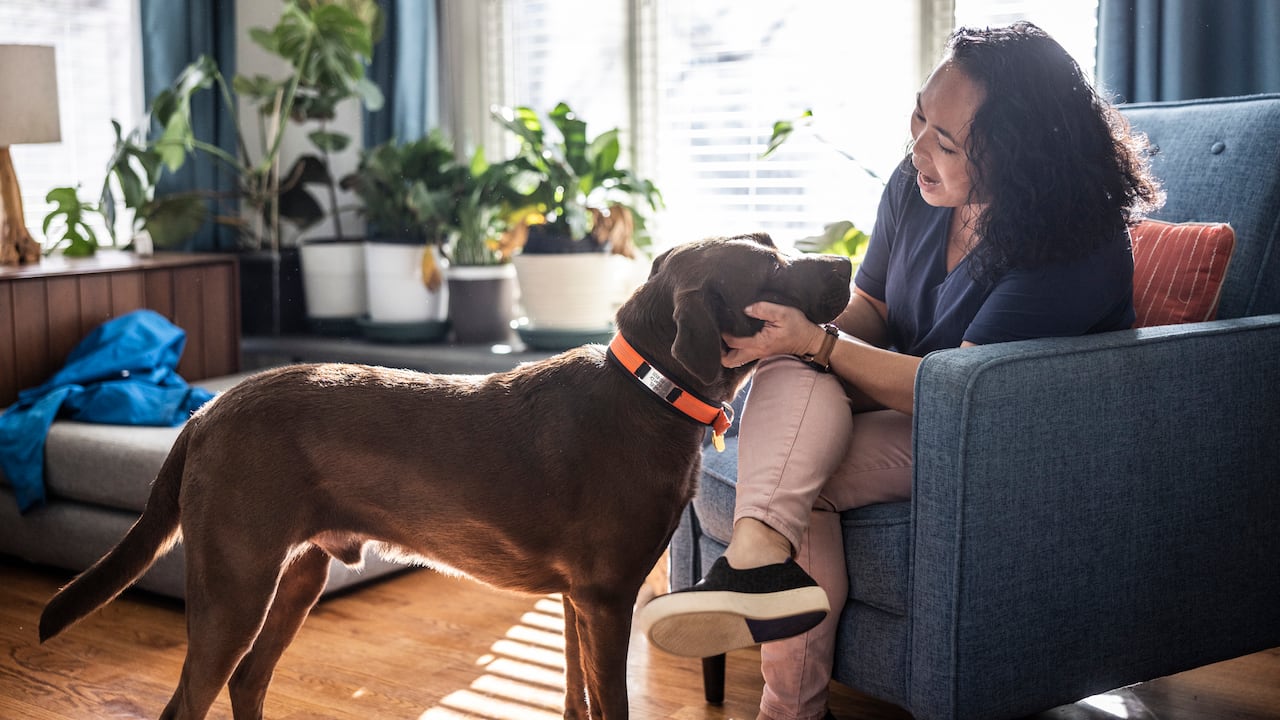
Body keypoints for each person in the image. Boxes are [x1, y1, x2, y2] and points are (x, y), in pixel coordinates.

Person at [638, 21, 1164, 720]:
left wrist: (818, 346)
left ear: (1018, 157)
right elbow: (872, 313)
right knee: (788, 373)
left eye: (946, 142)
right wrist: (793, 339)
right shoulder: (916, 186)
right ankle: (759, 558)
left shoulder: (1072, 241)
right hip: (916, 405)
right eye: (920, 115)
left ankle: (782, 680)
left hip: (1005, 435)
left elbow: (961, 394)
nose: (917, 147)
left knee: (803, 465)